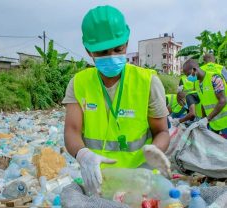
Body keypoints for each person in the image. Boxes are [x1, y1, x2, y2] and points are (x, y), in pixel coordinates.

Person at [63, 5, 170, 195]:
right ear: (89, 51)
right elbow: (72, 130)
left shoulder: (147, 82)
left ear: (127, 43)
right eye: (103, 52)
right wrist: (83, 155)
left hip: (141, 180)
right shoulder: (79, 83)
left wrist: (155, 150)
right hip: (100, 182)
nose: (111, 57)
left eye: (117, 49)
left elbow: (161, 131)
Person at [183, 59, 227, 139]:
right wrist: (203, 120)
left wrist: (207, 119)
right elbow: (204, 103)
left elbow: (223, 101)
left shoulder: (214, 78)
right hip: (213, 124)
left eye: (189, 74)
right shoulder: (197, 83)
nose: (188, 78)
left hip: (225, 124)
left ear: (195, 69)